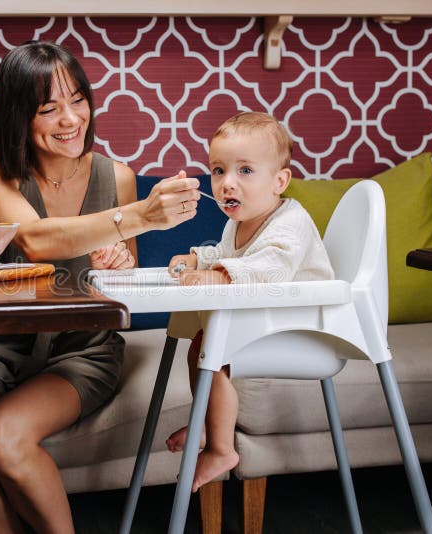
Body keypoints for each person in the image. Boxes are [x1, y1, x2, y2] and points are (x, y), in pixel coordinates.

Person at [0, 41, 201, 534]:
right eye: (49, 108)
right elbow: (32, 240)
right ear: (18, 116)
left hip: (83, 350)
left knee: (3, 436)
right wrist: (139, 216)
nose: (71, 119)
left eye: (78, 100)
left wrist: (117, 262)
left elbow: (123, 287)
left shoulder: (117, 177)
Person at [165, 111, 335, 492]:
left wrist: (218, 274)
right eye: (218, 170)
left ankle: (222, 450)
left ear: (280, 181)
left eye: (244, 171)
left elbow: (270, 268)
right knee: (199, 348)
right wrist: (198, 259)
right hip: (269, 320)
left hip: (303, 328)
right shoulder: (237, 223)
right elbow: (231, 257)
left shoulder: (291, 221)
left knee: (214, 349)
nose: (227, 183)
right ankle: (208, 428)